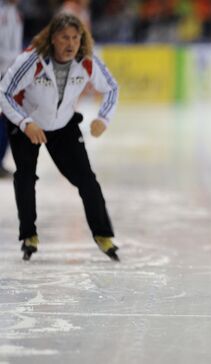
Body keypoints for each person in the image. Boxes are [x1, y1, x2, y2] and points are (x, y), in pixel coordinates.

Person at [0, 13, 120, 261]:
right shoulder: (32, 60)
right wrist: (25, 122)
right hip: (27, 123)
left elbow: (111, 88)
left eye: (76, 38)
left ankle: (103, 235)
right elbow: (4, 91)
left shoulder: (86, 62)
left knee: (87, 181)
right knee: (25, 177)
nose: (71, 43)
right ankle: (28, 235)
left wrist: (103, 118)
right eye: (65, 37)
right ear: (53, 38)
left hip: (63, 126)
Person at [0, 0, 23, 178]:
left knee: (8, 119)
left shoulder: (15, 12)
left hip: (9, 73)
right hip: (3, 72)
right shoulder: (4, 12)